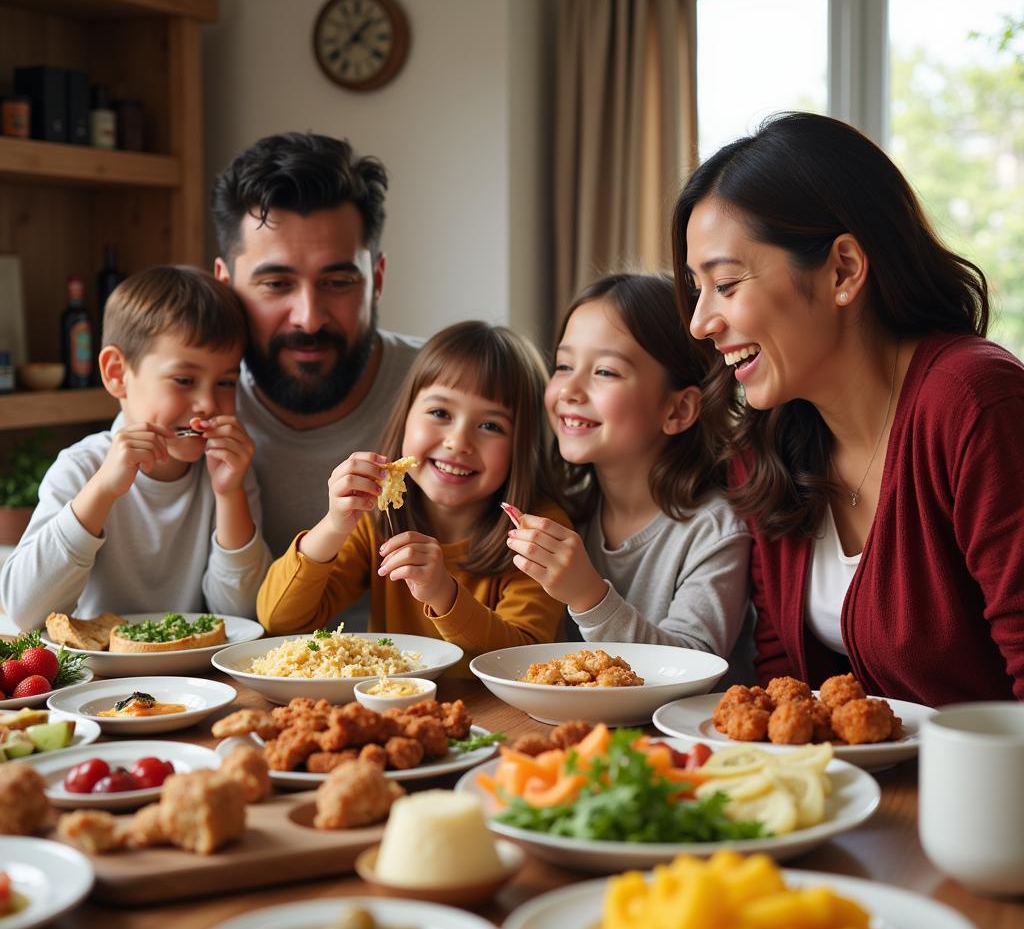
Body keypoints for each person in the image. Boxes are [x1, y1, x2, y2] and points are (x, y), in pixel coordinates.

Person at [674, 111, 1024, 706]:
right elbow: (785, 679)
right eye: (696, 287)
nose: (700, 322)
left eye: (727, 284)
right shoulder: (765, 446)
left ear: (844, 269)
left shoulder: (974, 405)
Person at [256, 321, 572, 667]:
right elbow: (280, 620)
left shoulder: (535, 534)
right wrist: (333, 525)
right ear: (405, 416)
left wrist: (443, 593)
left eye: (490, 426)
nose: (458, 442)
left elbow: (523, 660)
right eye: (440, 413)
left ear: (521, 447)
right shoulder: (376, 517)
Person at [505, 273, 753, 675]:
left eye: (605, 372)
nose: (570, 389)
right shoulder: (564, 510)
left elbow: (694, 666)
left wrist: (589, 596)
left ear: (678, 410)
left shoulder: (714, 530)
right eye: (564, 365)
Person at [0, 267, 271, 628]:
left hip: (196, 675)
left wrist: (229, 494)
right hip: (99, 677)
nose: (208, 402)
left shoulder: (230, 475)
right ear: (116, 373)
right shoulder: (82, 469)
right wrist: (101, 492)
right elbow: (24, 611)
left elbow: (242, 615)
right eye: (184, 380)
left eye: (226, 381)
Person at [211, 132, 421, 558]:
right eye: (276, 284)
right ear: (225, 283)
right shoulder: (188, 398)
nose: (309, 317)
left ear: (376, 281)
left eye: (338, 282)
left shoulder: (446, 389)